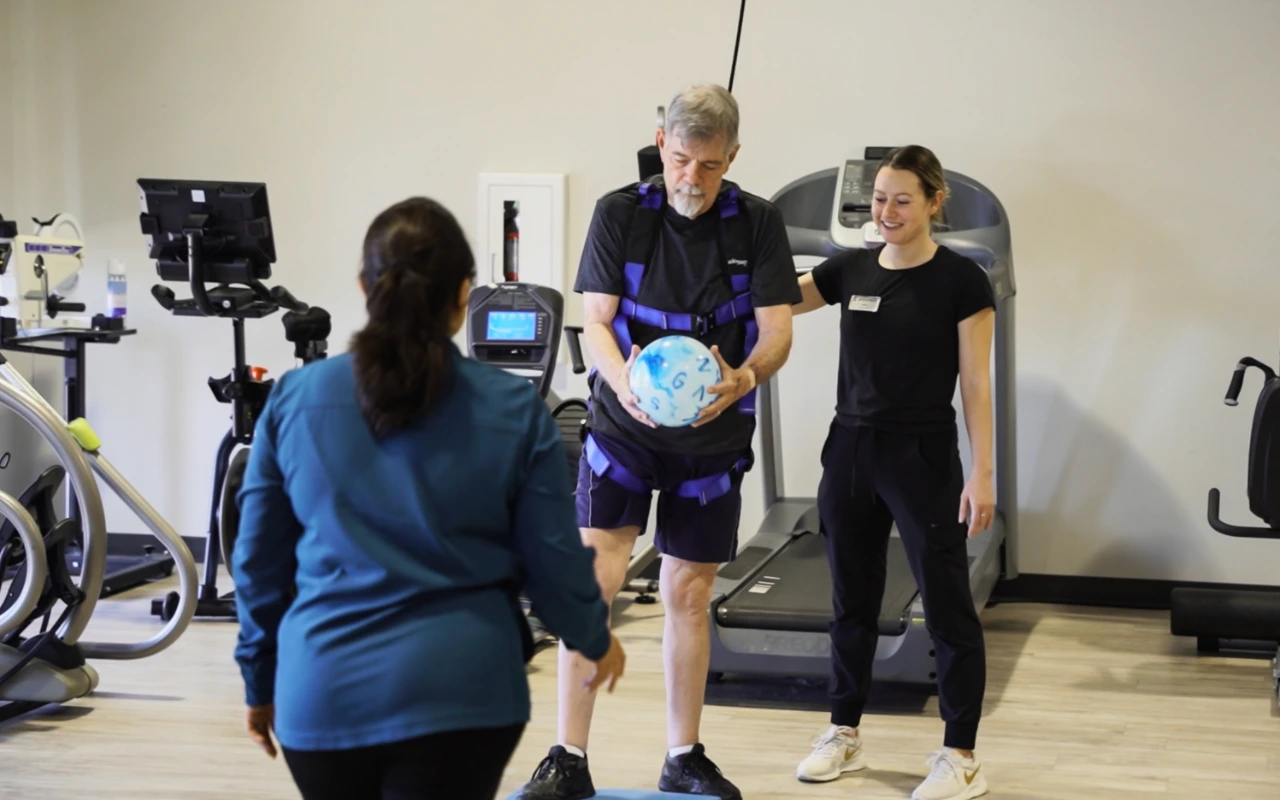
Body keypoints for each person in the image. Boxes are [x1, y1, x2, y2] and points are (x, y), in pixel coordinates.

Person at [231, 196, 627, 800]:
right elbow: (551, 563)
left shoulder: (293, 399)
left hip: (323, 694)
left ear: (365, 286)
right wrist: (594, 638)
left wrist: (259, 680)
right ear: (464, 295)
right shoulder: (516, 410)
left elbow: (257, 563)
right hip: (465, 695)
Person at [516, 84, 800, 800]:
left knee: (687, 591)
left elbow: (776, 334)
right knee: (596, 582)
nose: (691, 179)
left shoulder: (759, 225)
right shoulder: (621, 214)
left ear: (732, 156)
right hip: (626, 427)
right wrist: (630, 387)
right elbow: (600, 322)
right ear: (660, 143)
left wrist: (742, 379)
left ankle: (684, 755)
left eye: (708, 166)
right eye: (680, 160)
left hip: (712, 434)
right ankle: (566, 758)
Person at [790, 145, 995, 800]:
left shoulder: (961, 280)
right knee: (851, 600)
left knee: (947, 607)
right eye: (879, 199)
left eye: (902, 199)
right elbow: (776, 303)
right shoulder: (849, 268)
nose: (887, 211)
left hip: (922, 456)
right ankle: (843, 732)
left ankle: (960, 755)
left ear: (935, 201)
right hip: (849, 449)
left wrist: (982, 473)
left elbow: (976, 385)